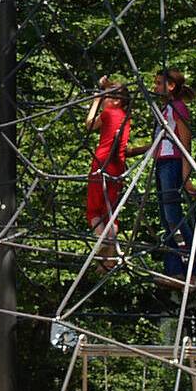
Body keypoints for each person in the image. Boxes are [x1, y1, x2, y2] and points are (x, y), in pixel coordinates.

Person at [152, 68, 196, 278]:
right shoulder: (165, 108)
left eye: (159, 83)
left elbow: (185, 142)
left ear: (171, 86)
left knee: (173, 216)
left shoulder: (178, 107)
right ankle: (174, 271)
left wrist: (186, 176)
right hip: (162, 163)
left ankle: (195, 267)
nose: (155, 87)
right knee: (165, 219)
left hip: (172, 164)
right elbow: (161, 140)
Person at [84, 77, 132, 266]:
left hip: (101, 163)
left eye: (107, 97)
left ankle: (104, 241)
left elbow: (89, 124)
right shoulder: (125, 116)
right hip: (117, 166)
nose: (104, 99)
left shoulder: (109, 112)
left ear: (116, 100)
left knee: (93, 209)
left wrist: (95, 101)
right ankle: (110, 256)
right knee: (110, 211)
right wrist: (105, 86)